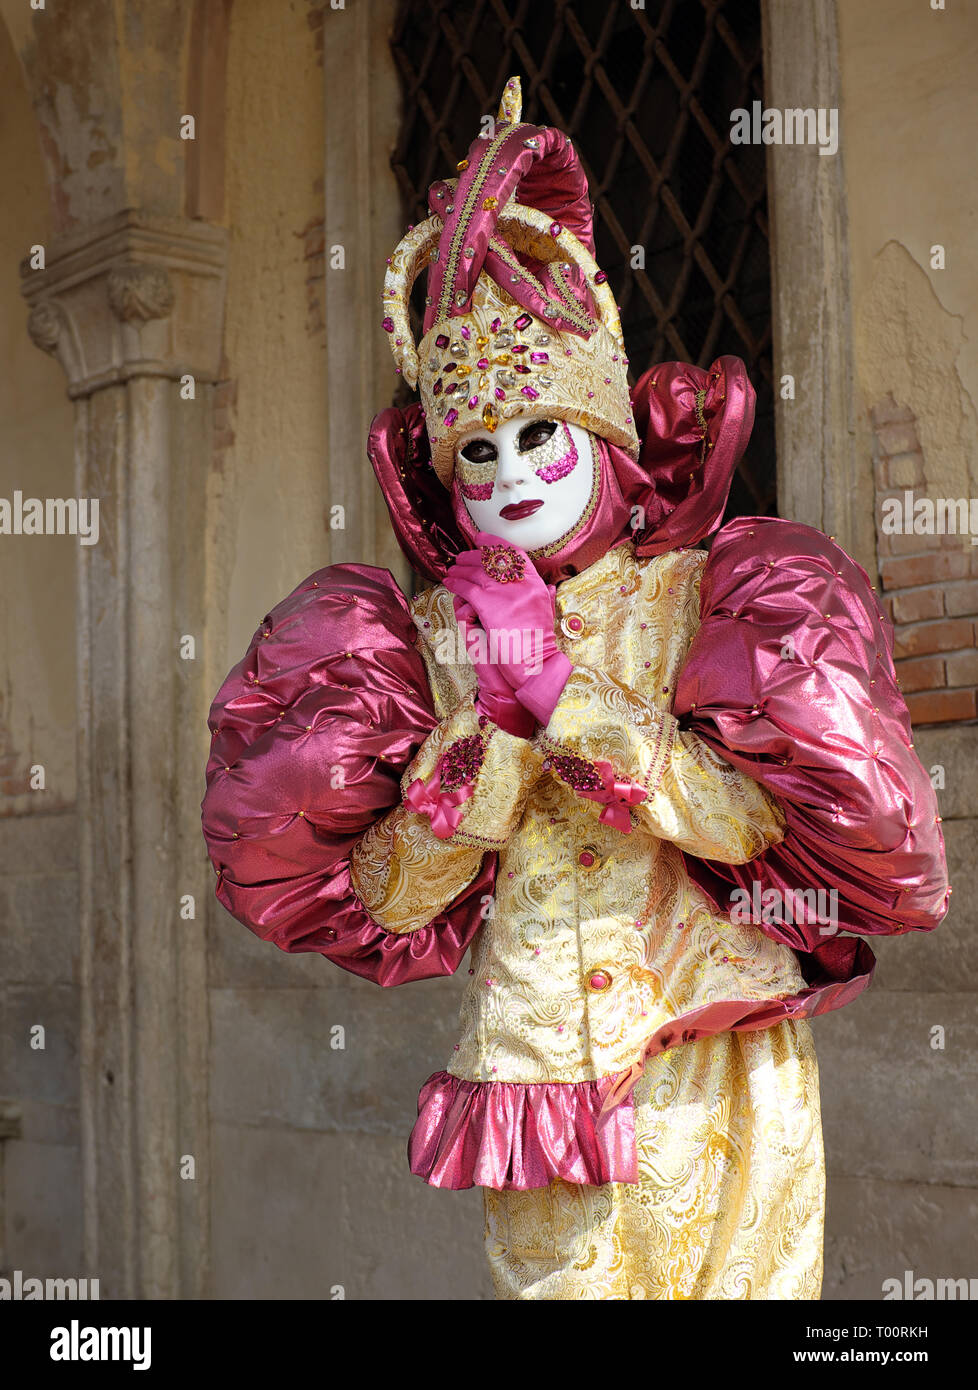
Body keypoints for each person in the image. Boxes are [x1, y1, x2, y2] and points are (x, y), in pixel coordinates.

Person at [201, 77, 949, 1299]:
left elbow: (752, 822)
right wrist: (488, 743)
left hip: (712, 1058)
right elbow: (393, 897)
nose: (508, 474)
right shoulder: (433, 639)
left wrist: (567, 701)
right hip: (539, 1091)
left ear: (598, 434)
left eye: (537, 435)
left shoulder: (700, 596)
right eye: (477, 455)